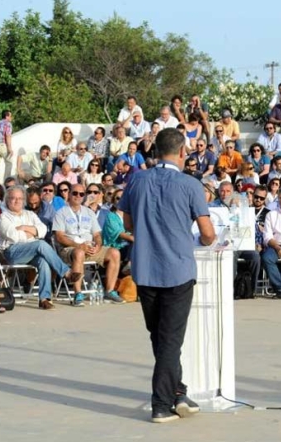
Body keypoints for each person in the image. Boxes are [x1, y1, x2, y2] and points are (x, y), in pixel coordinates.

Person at [117, 128, 215, 423]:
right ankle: (161, 403)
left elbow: (129, 222)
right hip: (177, 270)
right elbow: (208, 234)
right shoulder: (190, 184)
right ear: (183, 152)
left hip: (145, 269)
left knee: (160, 337)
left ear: (155, 151)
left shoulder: (136, 180)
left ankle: (177, 391)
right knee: (170, 340)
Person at [0, 186, 82, 310]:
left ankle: (44, 299)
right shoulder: (3, 217)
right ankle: (66, 272)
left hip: (31, 251)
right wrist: (33, 232)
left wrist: (25, 228)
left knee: (43, 261)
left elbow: (43, 230)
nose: (17, 201)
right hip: (12, 252)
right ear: (7, 200)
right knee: (40, 244)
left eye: (20, 198)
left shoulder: (30, 214)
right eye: (13, 198)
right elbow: (14, 237)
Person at [52, 184, 123, 306]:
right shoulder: (61, 213)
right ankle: (78, 293)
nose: (78, 196)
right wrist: (78, 246)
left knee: (114, 253)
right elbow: (59, 236)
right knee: (79, 253)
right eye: (75, 193)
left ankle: (110, 290)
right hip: (69, 248)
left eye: (81, 194)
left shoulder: (89, 212)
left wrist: (98, 246)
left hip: (90, 247)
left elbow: (97, 234)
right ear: (69, 194)